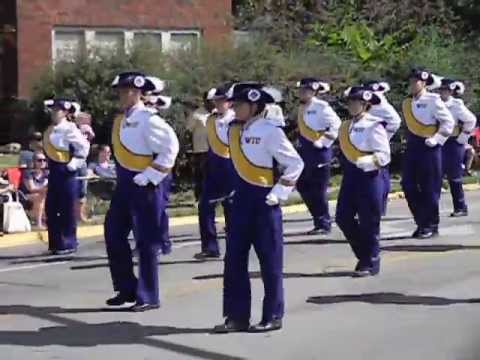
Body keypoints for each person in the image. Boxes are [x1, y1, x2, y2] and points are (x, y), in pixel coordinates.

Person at [214, 86, 304, 334]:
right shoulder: (232, 129)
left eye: (240, 104)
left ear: (254, 106)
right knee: (234, 261)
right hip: (241, 201)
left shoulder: (270, 132)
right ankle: (236, 316)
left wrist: (279, 194)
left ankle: (273, 315)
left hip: (264, 202)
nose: (234, 108)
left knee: (270, 261)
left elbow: (295, 163)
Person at [105, 71, 179, 312]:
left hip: (146, 186)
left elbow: (170, 148)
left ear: (139, 93)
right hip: (126, 185)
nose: (125, 95)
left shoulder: (149, 119)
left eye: (130, 91)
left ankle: (148, 295)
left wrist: (151, 175)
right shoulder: (120, 119)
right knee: (113, 233)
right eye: (122, 91)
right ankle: (126, 288)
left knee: (146, 242)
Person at [335, 89, 390, 277]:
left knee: (369, 221)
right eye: (350, 102)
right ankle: (364, 254)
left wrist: (368, 161)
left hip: (370, 177)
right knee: (342, 217)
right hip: (351, 176)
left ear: (365, 105)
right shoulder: (345, 126)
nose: (352, 106)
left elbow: (384, 156)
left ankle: (371, 260)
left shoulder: (374, 125)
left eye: (356, 102)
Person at [401, 68, 455, 239]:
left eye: (415, 81)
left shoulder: (433, 100)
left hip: (429, 147)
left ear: (424, 83)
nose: (412, 85)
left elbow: (448, 122)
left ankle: (431, 224)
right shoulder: (407, 103)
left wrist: (437, 139)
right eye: (410, 81)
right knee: (408, 184)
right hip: (413, 146)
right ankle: (421, 221)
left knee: (429, 188)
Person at [43, 98, 90, 255]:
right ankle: (55, 243)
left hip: (66, 170)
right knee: (51, 207)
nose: (54, 113)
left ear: (65, 112)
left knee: (66, 208)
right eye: (53, 110)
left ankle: (68, 242)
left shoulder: (69, 128)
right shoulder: (50, 129)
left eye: (57, 110)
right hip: (54, 170)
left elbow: (83, 147)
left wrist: (74, 163)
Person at [194, 84, 236, 260]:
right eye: (216, 101)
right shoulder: (210, 119)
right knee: (205, 208)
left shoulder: (236, 120)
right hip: (213, 168)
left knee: (232, 209)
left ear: (230, 102)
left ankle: (235, 247)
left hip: (232, 167)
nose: (219, 104)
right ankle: (210, 247)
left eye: (222, 100)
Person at [347, 81, 401, 215]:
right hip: (359, 146)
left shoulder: (380, 103)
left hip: (377, 148)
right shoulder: (357, 105)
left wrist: (384, 136)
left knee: (380, 178)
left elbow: (395, 121)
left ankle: (378, 207)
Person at [295, 78, 341, 235]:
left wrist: (323, 141)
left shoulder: (321, 106)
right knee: (302, 185)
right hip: (305, 150)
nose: (302, 93)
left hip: (319, 151)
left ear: (313, 92)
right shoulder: (301, 107)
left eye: (306, 90)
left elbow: (336, 124)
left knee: (318, 189)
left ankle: (323, 222)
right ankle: (318, 218)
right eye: (301, 90)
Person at [438, 78, 476, 217]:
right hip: (437, 140)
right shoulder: (435, 102)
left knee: (454, 176)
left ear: (451, 91)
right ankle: (431, 207)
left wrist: (462, 139)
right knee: (435, 175)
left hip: (453, 141)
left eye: (446, 90)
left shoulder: (456, 104)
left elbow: (470, 120)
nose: (443, 92)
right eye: (441, 90)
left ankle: (460, 207)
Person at [186, 91, 213, 201]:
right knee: (201, 176)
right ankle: (199, 198)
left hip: (215, 150)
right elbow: (188, 130)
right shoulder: (196, 114)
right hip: (201, 150)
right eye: (209, 100)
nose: (212, 103)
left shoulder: (218, 114)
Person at [20, 151, 49, 228]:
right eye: (39, 160)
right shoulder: (28, 173)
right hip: (25, 195)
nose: (42, 162)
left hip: (41, 194)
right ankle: (39, 223)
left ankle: (52, 220)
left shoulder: (46, 173)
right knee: (40, 197)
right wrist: (45, 189)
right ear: (34, 162)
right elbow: (31, 189)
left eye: (44, 160)